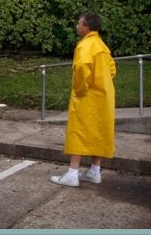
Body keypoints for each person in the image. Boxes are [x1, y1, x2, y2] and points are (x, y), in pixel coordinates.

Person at [50, 12, 117, 187]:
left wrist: (79, 90)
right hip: (104, 96)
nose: (76, 26)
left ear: (86, 27)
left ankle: (73, 173)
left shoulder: (85, 46)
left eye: (79, 24)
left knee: (78, 131)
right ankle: (95, 171)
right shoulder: (102, 45)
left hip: (87, 96)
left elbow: (81, 69)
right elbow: (112, 70)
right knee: (100, 131)